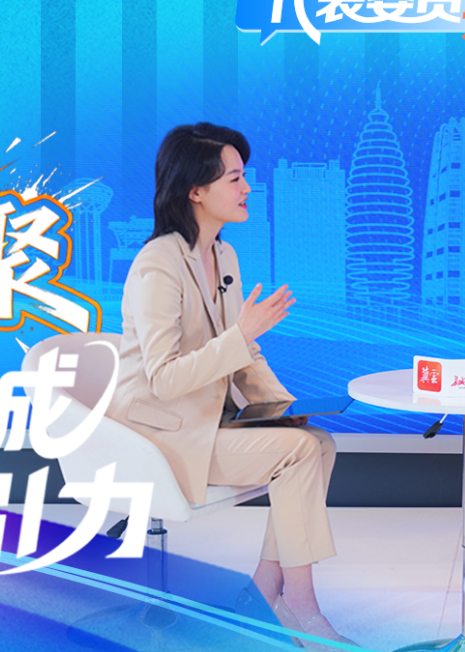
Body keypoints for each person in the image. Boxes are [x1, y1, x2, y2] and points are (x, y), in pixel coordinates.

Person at [114, 122, 351, 645]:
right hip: (159, 433)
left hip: (207, 425)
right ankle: (300, 606)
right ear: (195, 190)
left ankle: (264, 592)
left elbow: (244, 357)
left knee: (317, 442)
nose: (246, 188)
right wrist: (241, 335)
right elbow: (164, 377)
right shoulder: (157, 265)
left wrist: (285, 407)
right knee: (299, 454)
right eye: (234, 178)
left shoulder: (224, 256)